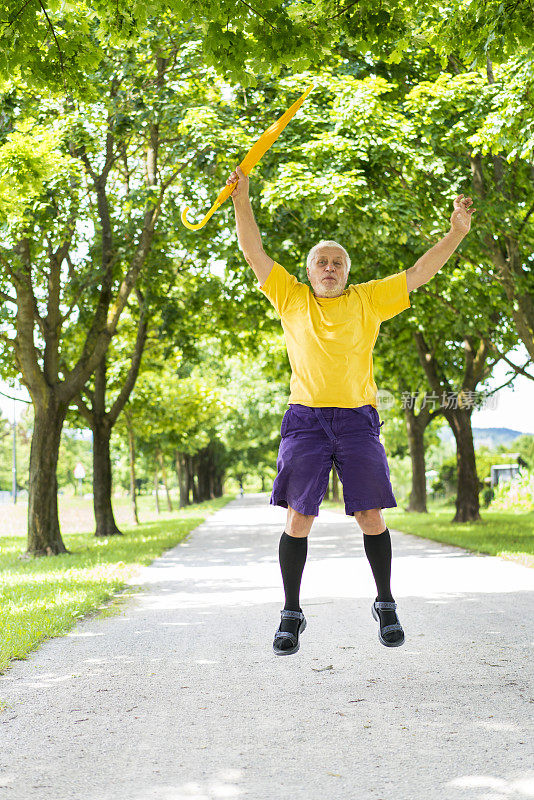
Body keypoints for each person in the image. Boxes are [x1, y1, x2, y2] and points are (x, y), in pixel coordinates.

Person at [227, 165, 475, 656]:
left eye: (337, 262)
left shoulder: (368, 300)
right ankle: (291, 613)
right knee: (299, 518)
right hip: (306, 420)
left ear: (347, 271)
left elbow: (421, 272)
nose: (329, 267)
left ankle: (385, 604)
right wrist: (242, 196)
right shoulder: (290, 297)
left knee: (371, 516)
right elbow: (252, 249)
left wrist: (456, 232)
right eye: (321, 261)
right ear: (309, 269)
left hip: (358, 419)